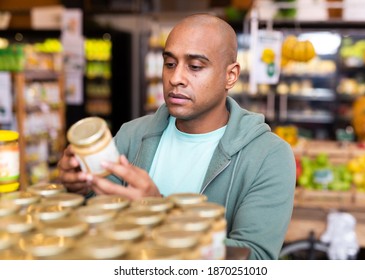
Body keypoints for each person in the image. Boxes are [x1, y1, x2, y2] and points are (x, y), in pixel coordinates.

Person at [58, 14, 296, 260]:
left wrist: (161, 214)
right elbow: (100, 224)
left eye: (194, 66)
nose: (175, 79)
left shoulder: (269, 155)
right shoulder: (132, 134)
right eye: (170, 64)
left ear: (231, 76)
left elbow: (255, 259)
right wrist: (79, 188)